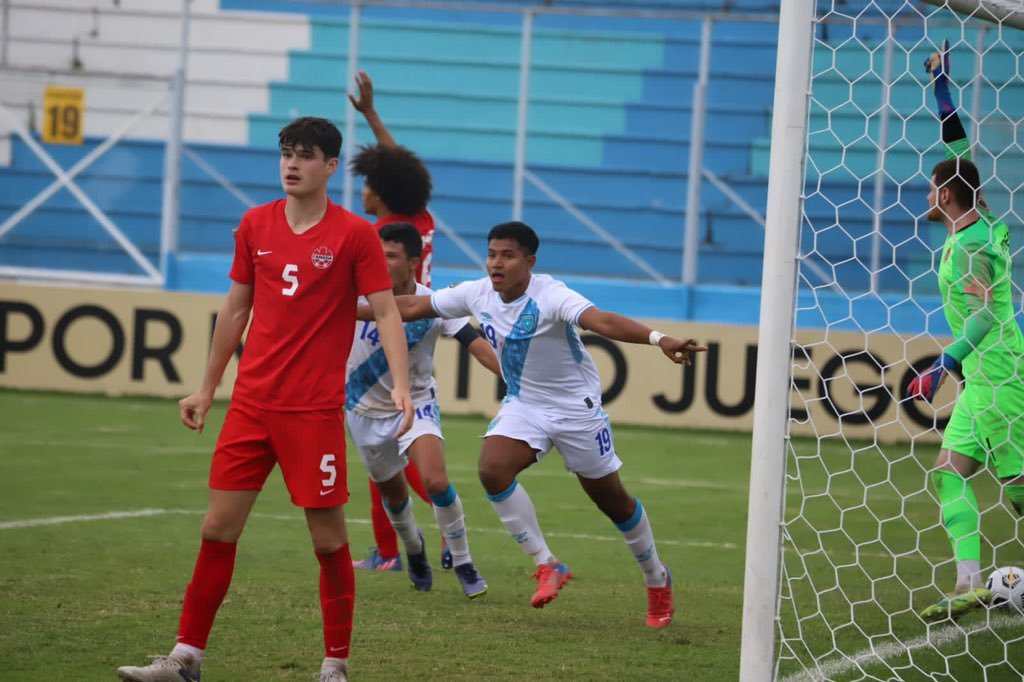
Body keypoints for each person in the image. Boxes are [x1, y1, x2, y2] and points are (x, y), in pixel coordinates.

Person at [117, 117, 412, 682]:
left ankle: (334, 665)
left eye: (305, 155)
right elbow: (235, 310)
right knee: (216, 529)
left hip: (312, 412)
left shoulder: (354, 235)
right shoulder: (255, 224)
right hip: (251, 406)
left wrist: (401, 384)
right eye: (285, 154)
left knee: (328, 541)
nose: (291, 164)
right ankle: (185, 658)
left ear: (330, 166)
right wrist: (207, 387)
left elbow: (385, 312)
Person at [372, 221, 706, 628]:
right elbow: (407, 308)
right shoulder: (476, 293)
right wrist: (334, 306)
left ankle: (656, 577)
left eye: (507, 255)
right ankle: (547, 564)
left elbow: (601, 320)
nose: (497, 263)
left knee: (611, 500)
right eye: (492, 254)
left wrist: (659, 339)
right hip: (525, 404)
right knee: (492, 469)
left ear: (529, 261)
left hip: (575, 410)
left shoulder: (551, 295)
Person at [907, 42, 1024, 622]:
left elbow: (981, 316)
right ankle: (969, 585)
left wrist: (943, 365)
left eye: (932, 188)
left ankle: (973, 584)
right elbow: (958, 148)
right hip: (989, 371)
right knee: (952, 472)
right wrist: (942, 87)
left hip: (996, 369)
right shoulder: (975, 220)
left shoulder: (974, 244)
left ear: (946, 195)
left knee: (1015, 486)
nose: (928, 195)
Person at [347, 222, 500, 597]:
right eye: (378, 255)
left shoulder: (434, 302)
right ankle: (414, 549)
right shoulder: (356, 297)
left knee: (435, 480)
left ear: (414, 262)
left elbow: (474, 342)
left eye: (392, 256)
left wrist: (511, 378)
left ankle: (464, 562)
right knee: (394, 496)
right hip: (362, 410)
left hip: (416, 404)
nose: (382, 263)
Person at [348, 70, 447, 571]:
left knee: (376, 436)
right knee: (383, 443)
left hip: (387, 327)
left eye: (368, 184)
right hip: (419, 322)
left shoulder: (380, 237)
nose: (363, 191)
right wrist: (370, 116)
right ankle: (390, 550)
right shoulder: (419, 224)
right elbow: (402, 170)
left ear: (381, 192)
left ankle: (421, 535)